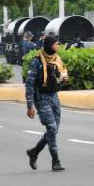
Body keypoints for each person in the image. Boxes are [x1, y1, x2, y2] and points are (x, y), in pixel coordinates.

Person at [25, 35, 68, 172]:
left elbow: (55, 83)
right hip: (41, 99)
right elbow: (30, 85)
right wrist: (30, 106)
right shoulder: (36, 62)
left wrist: (62, 79)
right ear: (49, 45)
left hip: (54, 98)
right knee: (51, 128)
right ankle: (55, 161)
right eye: (56, 44)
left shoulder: (57, 61)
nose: (58, 47)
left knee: (53, 130)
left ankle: (34, 151)